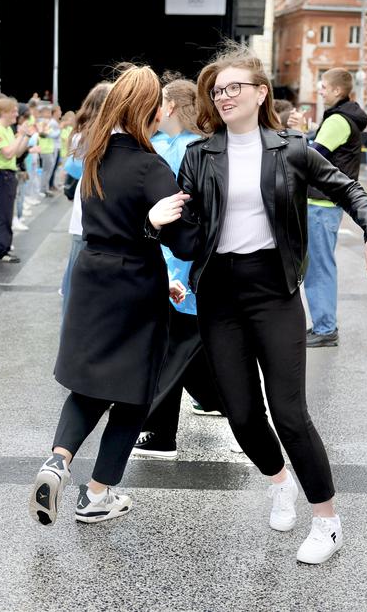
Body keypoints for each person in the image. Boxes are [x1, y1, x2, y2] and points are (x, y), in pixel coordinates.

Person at [178, 43, 367, 564]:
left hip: (272, 290)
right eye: (218, 89)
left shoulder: (292, 149)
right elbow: (186, 239)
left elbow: (350, 191)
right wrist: (162, 223)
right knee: (241, 414)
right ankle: (279, 481)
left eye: (234, 88)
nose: (224, 96)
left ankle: (327, 519)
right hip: (218, 294)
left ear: (259, 94)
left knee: (290, 413)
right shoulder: (198, 155)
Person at [29, 66, 198, 526]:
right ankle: (98, 494)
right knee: (135, 393)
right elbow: (182, 241)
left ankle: (58, 461)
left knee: (88, 385)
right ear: (149, 109)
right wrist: (163, 225)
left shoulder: (96, 157)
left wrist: (147, 235)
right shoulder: (151, 167)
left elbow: (113, 227)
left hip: (91, 276)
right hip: (134, 284)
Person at [131, 77, 224, 460]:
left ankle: (158, 429)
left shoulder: (179, 149)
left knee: (172, 345)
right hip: (186, 259)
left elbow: (171, 212)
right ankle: (219, 401)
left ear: (169, 107)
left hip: (179, 260)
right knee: (184, 342)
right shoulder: (187, 145)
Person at [302, 68, 367, 348]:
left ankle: (325, 328)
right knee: (319, 266)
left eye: (325, 87)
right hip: (325, 202)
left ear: (338, 91)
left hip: (320, 202)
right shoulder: (346, 118)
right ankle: (323, 324)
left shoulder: (338, 120)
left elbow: (312, 155)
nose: (321, 90)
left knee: (318, 268)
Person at [60, 82, 111, 307]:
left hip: (85, 207)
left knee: (75, 273)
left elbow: (72, 167)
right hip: (95, 209)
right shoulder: (104, 134)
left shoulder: (80, 134)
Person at [0, 97, 35, 263]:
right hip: (2, 174)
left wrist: (25, 137)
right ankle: (1, 250)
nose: (17, 113)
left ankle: (2, 247)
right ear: (4, 112)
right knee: (4, 214)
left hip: (8, 173)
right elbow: (8, 153)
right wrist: (20, 136)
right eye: (14, 110)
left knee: (6, 213)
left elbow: (17, 153)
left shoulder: (7, 129)